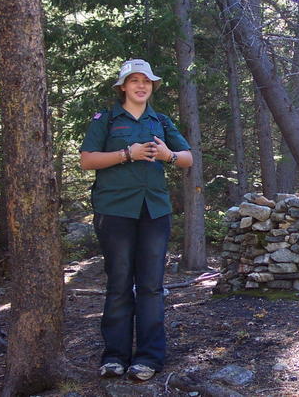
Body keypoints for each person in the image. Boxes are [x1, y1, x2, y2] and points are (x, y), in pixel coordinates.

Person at [80, 59, 193, 380]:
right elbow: (87, 160)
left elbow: (187, 158)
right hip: (114, 210)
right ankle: (114, 356)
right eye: (134, 81)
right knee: (118, 285)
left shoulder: (161, 120)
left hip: (154, 212)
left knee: (151, 287)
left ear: (152, 87)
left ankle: (148, 358)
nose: (141, 86)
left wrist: (167, 155)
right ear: (123, 87)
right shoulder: (106, 119)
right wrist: (126, 154)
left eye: (146, 81)